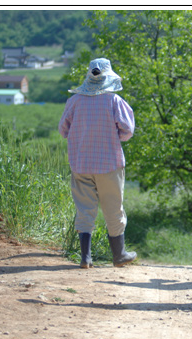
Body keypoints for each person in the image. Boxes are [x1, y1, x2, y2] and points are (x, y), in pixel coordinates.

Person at [58, 58, 137, 269]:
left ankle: (85, 257)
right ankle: (119, 255)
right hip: (109, 163)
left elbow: (63, 130)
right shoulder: (114, 101)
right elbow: (127, 131)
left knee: (84, 209)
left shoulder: (74, 101)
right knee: (114, 209)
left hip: (81, 163)